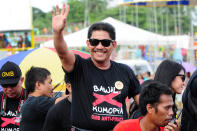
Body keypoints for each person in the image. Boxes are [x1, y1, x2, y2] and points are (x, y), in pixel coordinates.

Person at [52, 3, 140, 130]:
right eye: (94, 42)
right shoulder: (79, 67)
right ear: (88, 43)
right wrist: (57, 33)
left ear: (113, 45)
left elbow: (143, 102)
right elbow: (63, 53)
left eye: (105, 43)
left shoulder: (125, 71)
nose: (99, 47)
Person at [19, 67, 58, 131]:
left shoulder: (31, 102)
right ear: (38, 85)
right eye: (50, 83)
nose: (52, 87)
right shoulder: (37, 102)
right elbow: (64, 101)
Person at [0, 61, 28, 131]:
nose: (9, 89)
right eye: (5, 85)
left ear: (21, 80)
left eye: (13, 85)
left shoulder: (31, 98)